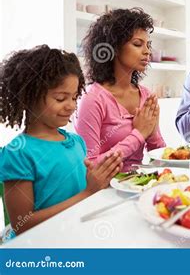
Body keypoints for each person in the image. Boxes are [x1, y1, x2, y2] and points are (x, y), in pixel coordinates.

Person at [0, 45, 122, 236]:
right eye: (60, 98)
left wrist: (102, 182)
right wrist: (88, 193)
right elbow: (22, 225)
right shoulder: (18, 153)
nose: (71, 106)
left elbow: (84, 192)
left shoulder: (76, 142)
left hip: (75, 235)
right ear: (29, 96)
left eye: (74, 97)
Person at [75, 8, 165, 172]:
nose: (147, 51)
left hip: (138, 184)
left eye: (148, 45)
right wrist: (138, 134)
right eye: (138, 44)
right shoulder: (92, 98)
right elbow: (89, 166)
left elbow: (161, 160)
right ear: (114, 48)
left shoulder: (144, 94)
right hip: (104, 191)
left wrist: (152, 134)